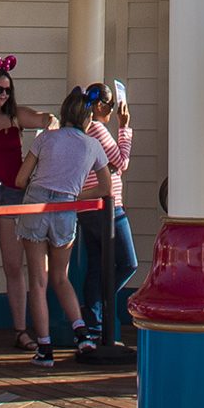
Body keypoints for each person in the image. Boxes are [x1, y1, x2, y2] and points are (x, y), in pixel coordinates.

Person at [15, 91, 112, 367]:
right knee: (60, 277)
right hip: (66, 209)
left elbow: (21, 179)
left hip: (36, 205)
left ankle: (44, 348)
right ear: (87, 117)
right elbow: (105, 188)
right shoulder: (93, 145)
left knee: (38, 281)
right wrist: (74, 195)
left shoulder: (46, 138)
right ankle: (82, 334)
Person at [0, 58, 50, 349]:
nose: (3, 95)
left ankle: (20, 330)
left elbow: (45, 120)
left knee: (15, 267)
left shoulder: (16, 116)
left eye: (7, 90)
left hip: (14, 196)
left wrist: (49, 139)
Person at [78, 80, 135, 340]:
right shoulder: (98, 129)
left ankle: (94, 322)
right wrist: (124, 128)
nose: (113, 110)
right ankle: (98, 308)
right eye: (110, 105)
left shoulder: (83, 128)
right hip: (107, 206)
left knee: (96, 264)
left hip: (87, 208)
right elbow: (121, 161)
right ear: (99, 105)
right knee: (127, 262)